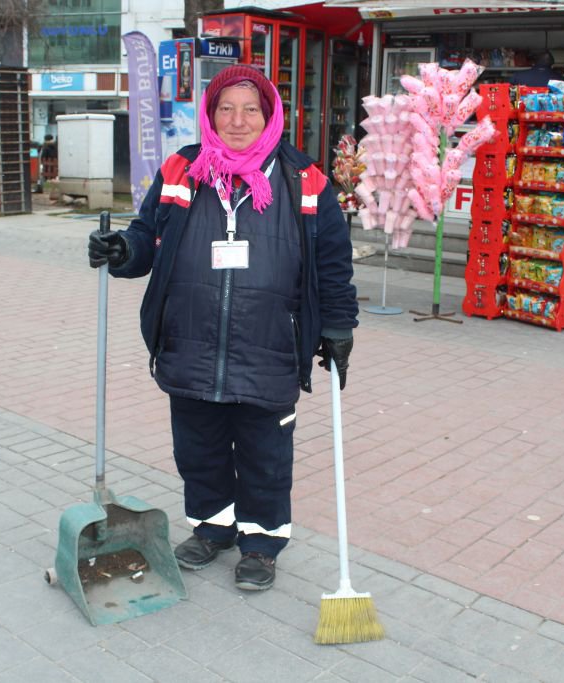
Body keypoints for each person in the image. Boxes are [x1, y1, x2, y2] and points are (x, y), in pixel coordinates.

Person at [87, 65, 358, 592]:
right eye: (225, 109)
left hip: (270, 344)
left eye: (250, 109)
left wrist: (339, 326)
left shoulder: (306, 179)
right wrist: (123, 250)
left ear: (270, 114)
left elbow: (333, 263)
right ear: (209, 114)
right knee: (198, 449)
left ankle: (260, 544)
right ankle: (213, 528)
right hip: (189, 340)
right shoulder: (181, 169)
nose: (237, 120)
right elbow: (148, 234)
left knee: (266, 456)